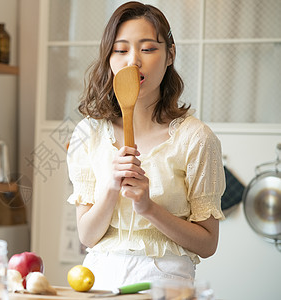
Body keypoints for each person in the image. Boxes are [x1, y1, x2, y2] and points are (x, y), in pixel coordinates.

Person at [66, 1, 226, 290]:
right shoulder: (87, 134)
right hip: (99, 280)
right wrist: (111, 188)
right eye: (121, 49)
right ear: (109, 58)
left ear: (169, 55)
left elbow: (207, 243)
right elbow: (87, 236)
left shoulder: (196, 138)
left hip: (166, 283)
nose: (133, 61)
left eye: (148, 49)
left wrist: (148, 207)